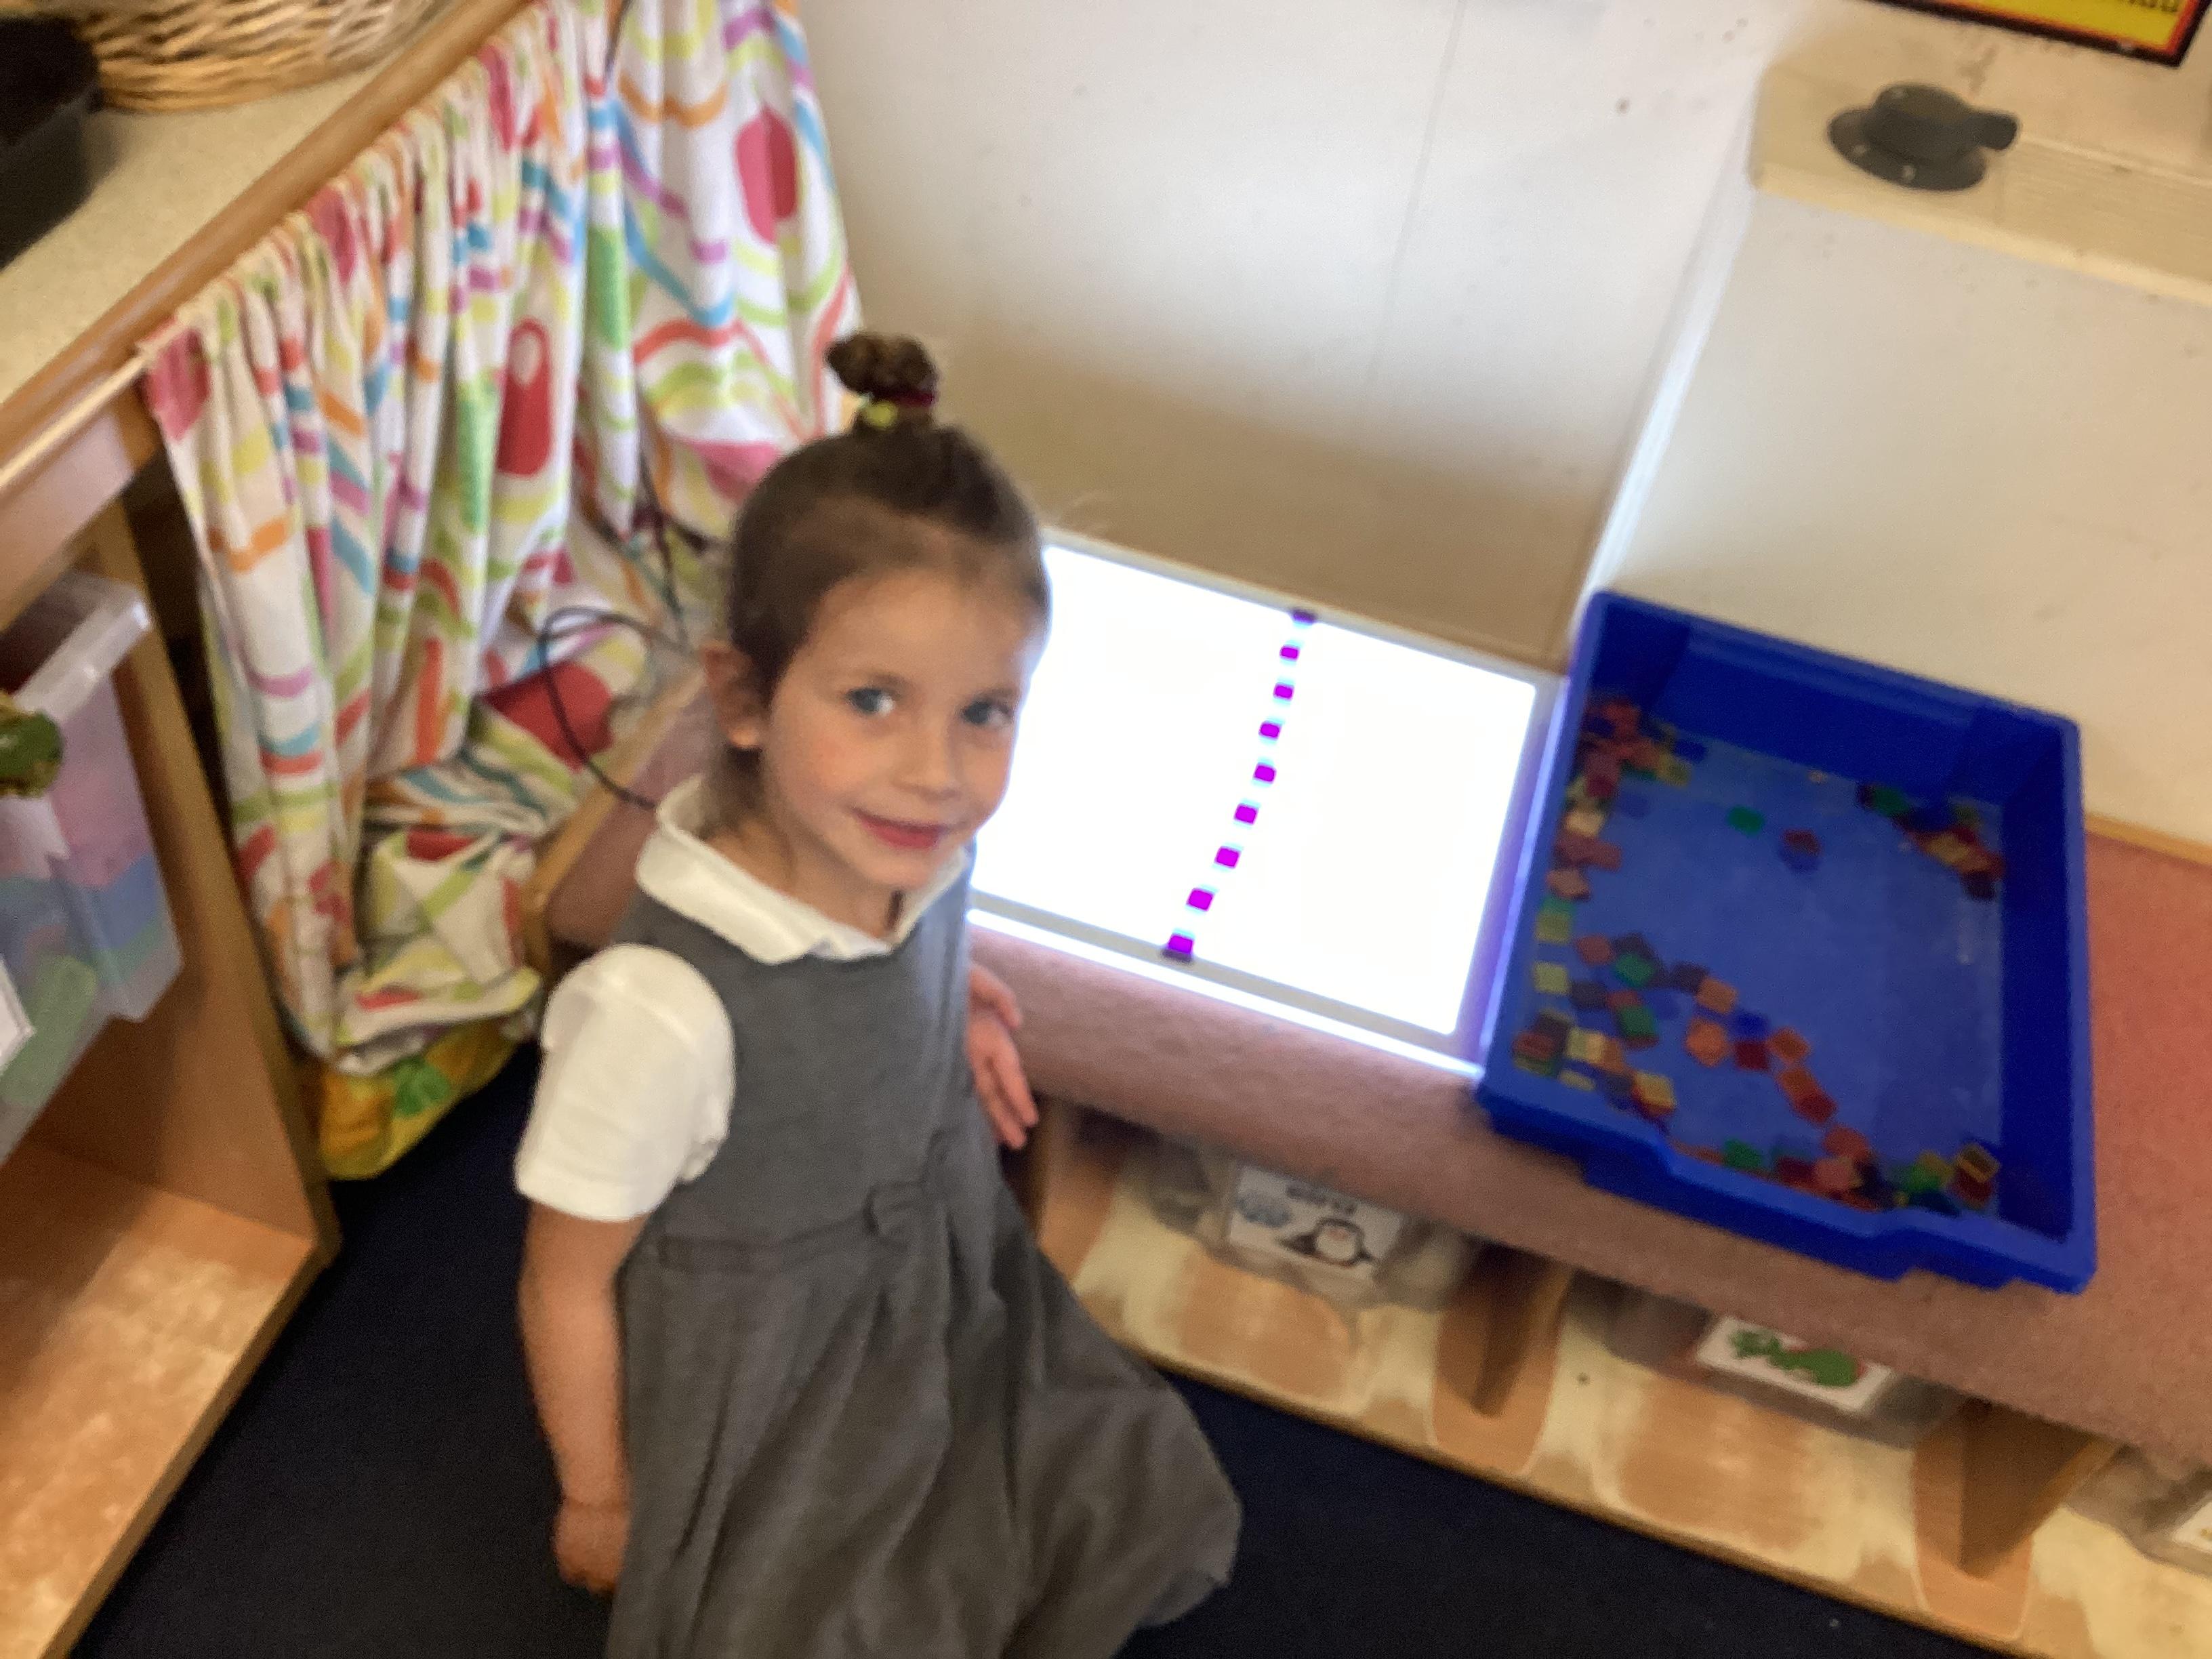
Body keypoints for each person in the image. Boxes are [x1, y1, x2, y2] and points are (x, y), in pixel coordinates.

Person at [514, 332, 1241, 1658]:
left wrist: (944, 1002)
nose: (937, 772)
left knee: (1107, 1485)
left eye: (986, 713)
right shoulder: (659, 1012)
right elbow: (565, 1280)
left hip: (924, 1270)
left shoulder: (916, 844)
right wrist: (599, 1496)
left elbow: (908, 939)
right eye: (872, 699)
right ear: (744, 699)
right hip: (766, 1361)